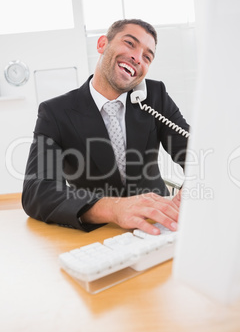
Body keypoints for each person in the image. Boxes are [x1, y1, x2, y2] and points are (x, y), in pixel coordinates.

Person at [22, 19, 190, 235]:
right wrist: (113, 208)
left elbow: (192, 152)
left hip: (158, 224)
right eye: (130, 43)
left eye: (147, 57)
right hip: (98, 229)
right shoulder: (55, 112)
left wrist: (189, 191)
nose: (137, 58)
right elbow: (37, 191)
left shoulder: (155, 97)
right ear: (102, 44)